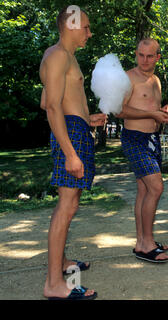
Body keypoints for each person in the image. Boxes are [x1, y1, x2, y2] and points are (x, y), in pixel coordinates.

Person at [39, 5, 106, 300]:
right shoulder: (56, 56)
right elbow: (52, 108)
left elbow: (48, 100)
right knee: (65, 207)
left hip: (76, 129)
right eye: (86, 28)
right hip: (69, 137)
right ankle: (54, 284)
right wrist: (70, 153)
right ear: (71, 25)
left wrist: (85, 118)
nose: (89, 33)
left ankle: (62, 263)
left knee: (71, 204)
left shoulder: (67, 58)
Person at [119, 38, 168, 263]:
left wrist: (163, 112)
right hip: (134, 139)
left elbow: (152, 109)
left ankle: (142, 242)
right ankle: (148, 244)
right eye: (140, 55)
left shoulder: (156, 81)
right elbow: (118, 111)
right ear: (136, 54)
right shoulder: (127, 78)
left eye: (150, 56)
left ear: (158, 57)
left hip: (152, 138)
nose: (144, 60)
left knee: (144, 191)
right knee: (156, 188)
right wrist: (152, 115)